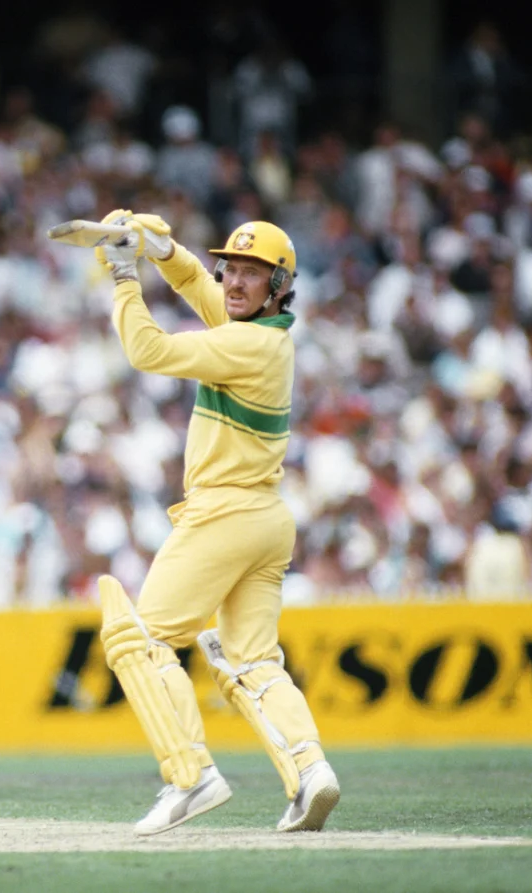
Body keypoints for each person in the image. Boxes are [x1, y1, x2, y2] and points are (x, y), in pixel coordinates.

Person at [92, 211, 339, 835]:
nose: (234, 281)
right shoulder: (260, 333)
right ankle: (311, 772)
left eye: (253, 273)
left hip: (224, 512)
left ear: (280, 286)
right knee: (251, 661)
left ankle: (189, 775)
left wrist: (124, 274)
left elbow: (146, 350)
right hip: (265, 520)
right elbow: (201, 289)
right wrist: (162, 249)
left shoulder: (244, 344)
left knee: (139, 641)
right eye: (232, 266)